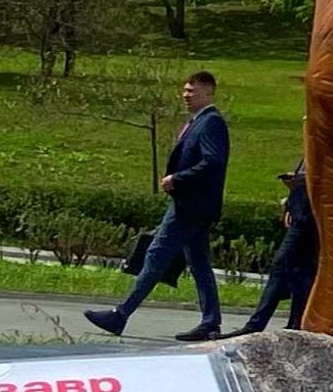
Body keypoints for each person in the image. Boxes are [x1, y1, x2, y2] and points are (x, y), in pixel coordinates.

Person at [87, 72, 229, 341]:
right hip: (193, 206)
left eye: (192, 91)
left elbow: (213, 161)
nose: (186, 96)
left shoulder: (211, 123)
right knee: (199, 264)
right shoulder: (199, 122)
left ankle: (120, 314)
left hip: (190, 207)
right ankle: (210, 321)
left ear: (208, 93)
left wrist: (178, 179)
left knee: (156, 255)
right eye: (185, 90)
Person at [233, 162, 316, 336]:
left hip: (307, 218)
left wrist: (298, 183)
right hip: (301, 214)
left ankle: (260, 323)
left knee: (284, 265)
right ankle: (294, 323)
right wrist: (291, 202)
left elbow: (319, 178)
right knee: (299, 270)